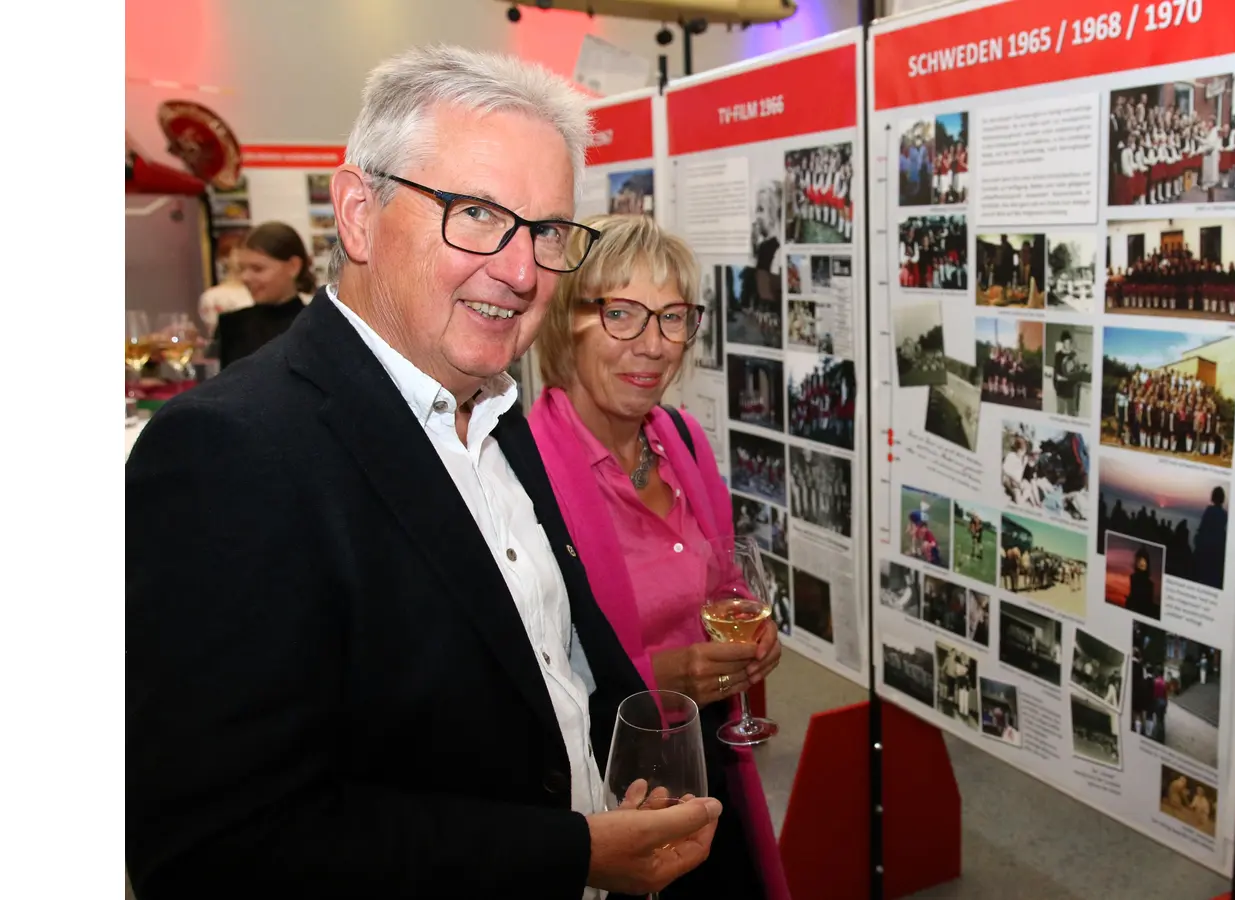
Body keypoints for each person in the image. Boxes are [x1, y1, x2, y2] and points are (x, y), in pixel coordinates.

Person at [127, 46, 722, 900]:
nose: (521, 272)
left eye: (547, 232)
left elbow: (553, 661)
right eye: (476, 213)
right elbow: (216, 852)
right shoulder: (229, 454)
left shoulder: (493, 405)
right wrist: (574, 853)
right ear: (358, 214)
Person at [526, 213, 788, 899]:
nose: (652, 345)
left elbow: (724, 585)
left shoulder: (682, 441)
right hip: (606, 794)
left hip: (707, 762)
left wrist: (753, 641)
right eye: (622, 314)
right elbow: (517, 683)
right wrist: (658, 676)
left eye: (673, 318)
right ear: (565, 321)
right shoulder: (525, 473)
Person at [215, 221, 316, 368]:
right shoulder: (231, 325)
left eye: (257, 269)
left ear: (293, 266)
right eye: (241, 268)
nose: (245, 277)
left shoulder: (318, 325)